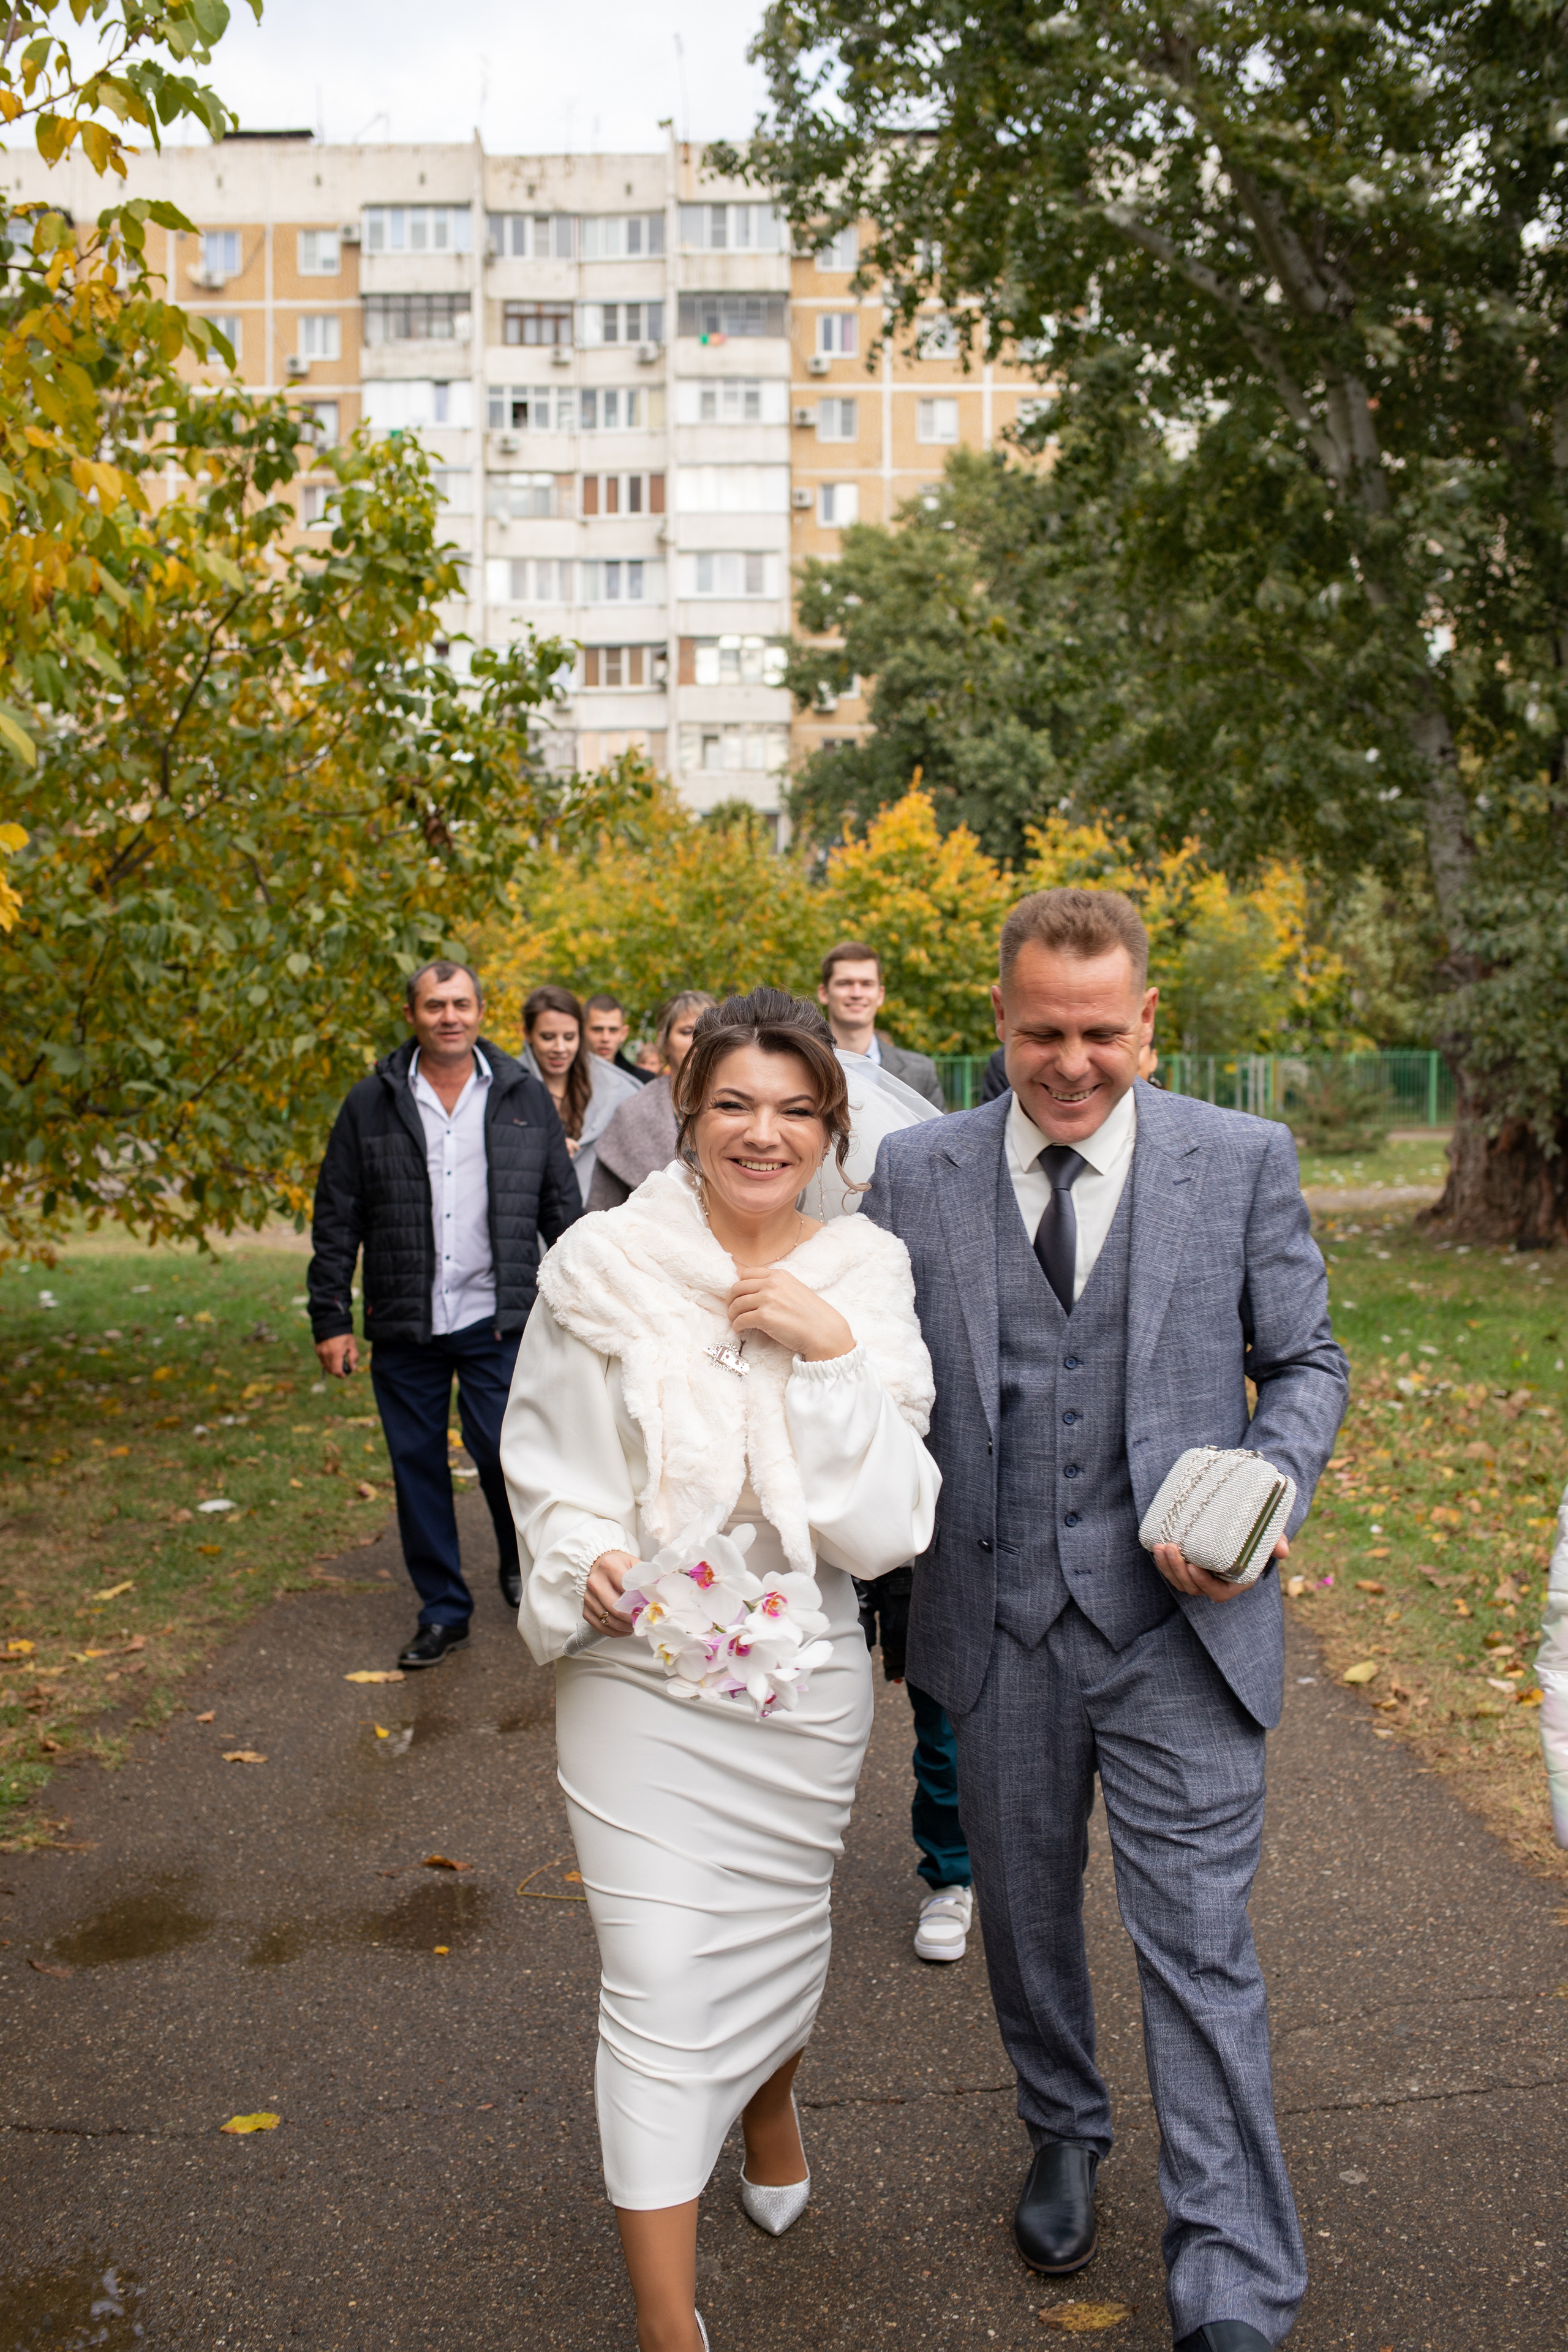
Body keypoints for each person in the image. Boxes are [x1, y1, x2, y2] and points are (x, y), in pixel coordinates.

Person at [862, 888, 1348, 2352]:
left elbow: (1305, 1364)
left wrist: (1262, 1488)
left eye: (1095, 1032)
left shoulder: (1240, 1158)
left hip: (1177, 1636)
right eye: (1037, 1033)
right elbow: (866, 1383)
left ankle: (1231, 2278)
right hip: (994, 1621)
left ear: (1143, 1022)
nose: (1067, 1062)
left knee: (1196, 1946)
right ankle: (1061, 2125)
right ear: (996, 1023)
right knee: (1020, 1916)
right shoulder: (914, 1170)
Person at [502, 988, 940, 2352]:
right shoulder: (602, 1265)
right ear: (686, 1112)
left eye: (796, 1110)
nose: (764, 1134)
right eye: (735, 1104)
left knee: (776, 1933)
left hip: (799, 1680)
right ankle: (666, 2327)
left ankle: (768, 2103)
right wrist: (584, 1556)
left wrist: (829, 1354)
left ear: (831, 1128)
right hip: (635, 1677)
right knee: (653, 1974)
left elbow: (887, 1526)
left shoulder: (867, 1276)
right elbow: (545, 1464)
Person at [307, 960, 581, 1670]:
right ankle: (442, 1610)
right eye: (435, 1005)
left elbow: (562, 1208)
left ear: (481, 1011)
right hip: (407, 1320)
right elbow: (337, 1214)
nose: (449, 1017)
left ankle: (517, 1560)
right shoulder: (371, 1101)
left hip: (498, 1318)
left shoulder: (522, 1095)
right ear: (413, 1014)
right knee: (417, 1467)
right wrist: (330, 1316)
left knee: (502, 1453)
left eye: (461, 1004)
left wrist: (587, 1302)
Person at [586, 990, 717, 1212]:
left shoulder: (743, 1105)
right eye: (687, 1031)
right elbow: (600, 1211)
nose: (698, 1040)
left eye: (708, 1031)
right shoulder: (633, 1112)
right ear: (664, 1042)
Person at [520, 983, 642, 1205]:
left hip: (598, 1216)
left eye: (569, 1037)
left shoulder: (619, 1088)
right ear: (527, 1034)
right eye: (548, 1037)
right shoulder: (508, 1086)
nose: (560, 1048)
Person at [818, 941, 946, 1110]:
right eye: (845, 983)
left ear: (880, 995)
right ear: (824, 993)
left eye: (867, 984)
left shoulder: (921, 1073)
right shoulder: (803, 1065)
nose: (857, 994)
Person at [585, 990, 657, 1086]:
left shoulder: (643, 1082)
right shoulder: (567, 1078)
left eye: (613, 1030)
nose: (605, 1038)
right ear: (582, 1031)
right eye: (597, 1030)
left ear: (624, 1033)